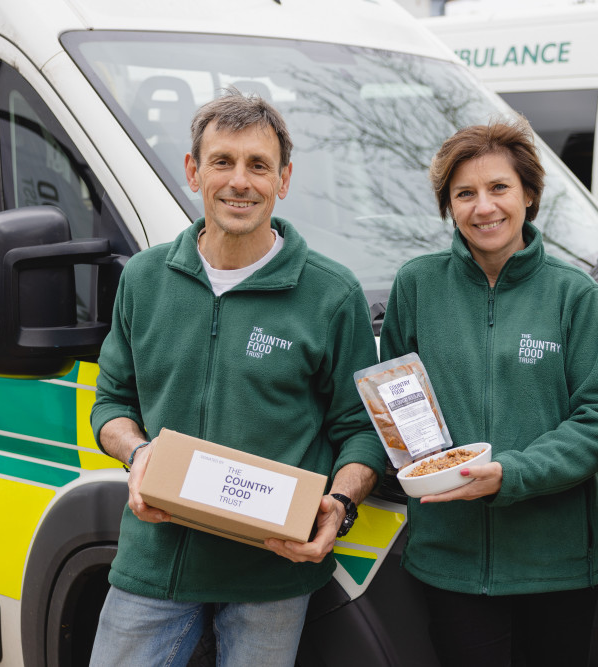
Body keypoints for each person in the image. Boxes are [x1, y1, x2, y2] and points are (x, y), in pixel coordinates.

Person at [88, 88, 385, 666]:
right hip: (154, 562)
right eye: (223, 161)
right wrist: (138, 454)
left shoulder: (331, 293)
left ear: (285, 179)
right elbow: (110, 403)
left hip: (271, 572)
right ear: (193, 171)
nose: (239, 181)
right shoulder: (145, 279)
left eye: (258, 165)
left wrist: (340, 504)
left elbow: (362, 429)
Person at [378, 119, 598, 666]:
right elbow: (396, 404)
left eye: (499, 188)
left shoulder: (573, 294)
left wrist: (510, 475)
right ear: (449, 205)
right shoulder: (417, 286)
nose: (483, 207)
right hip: (452, 559)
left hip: (556, 563)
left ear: (529, 195)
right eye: (464, 193)